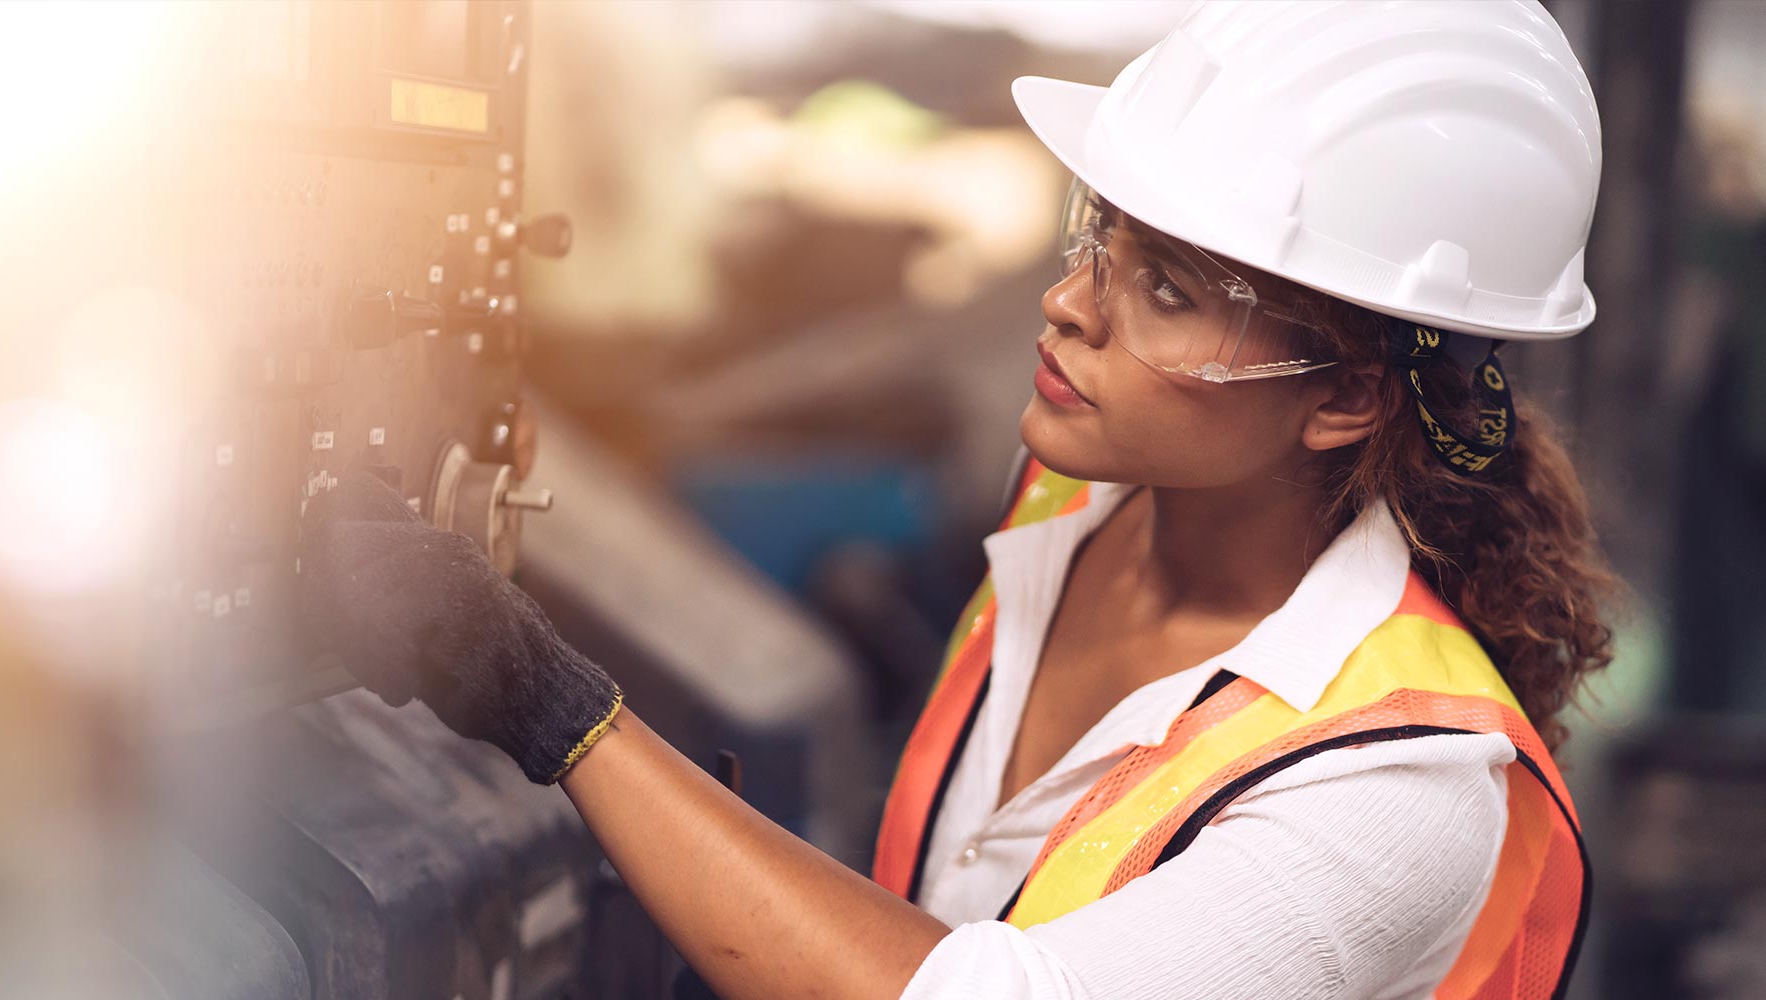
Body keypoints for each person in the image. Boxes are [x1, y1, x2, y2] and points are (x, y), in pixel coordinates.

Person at [298, 2, 1614, 997]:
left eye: (1165, 292)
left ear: (1349, 400)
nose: (1067, 302)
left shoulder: (1400, 791)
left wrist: (553, 708)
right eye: (1099, 232)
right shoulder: (1073, 501)